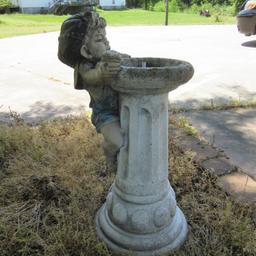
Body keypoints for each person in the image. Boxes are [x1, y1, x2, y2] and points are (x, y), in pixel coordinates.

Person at [58, 11, 128, 174]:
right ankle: (108, 151)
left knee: (133, 139)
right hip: (104, 114)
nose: (106, 42)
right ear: (86, 51)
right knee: (118, 142)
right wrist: (103, 73)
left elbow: (125, 60)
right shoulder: (85, 68)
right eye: (99, 39)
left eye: (105, 37)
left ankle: (124, 168)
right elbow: (93, 77)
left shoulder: (107, 58)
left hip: (123, 107)